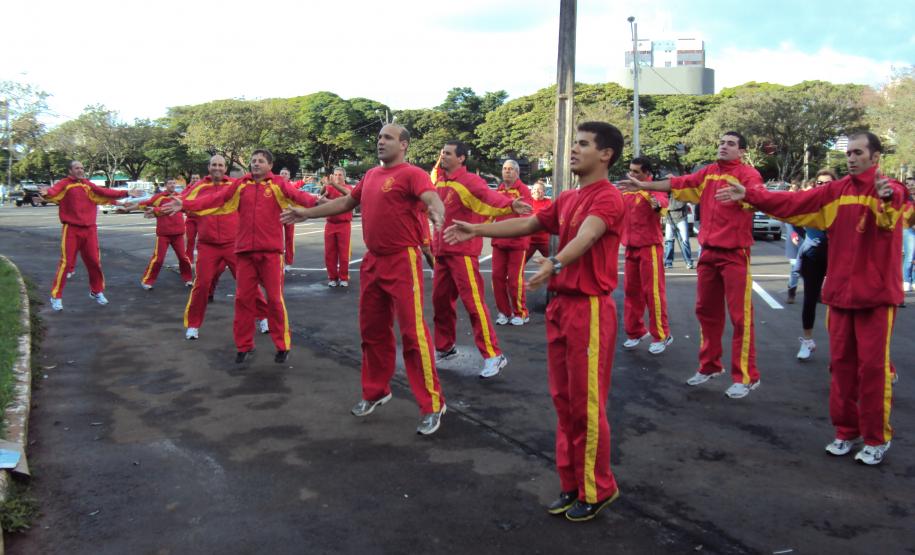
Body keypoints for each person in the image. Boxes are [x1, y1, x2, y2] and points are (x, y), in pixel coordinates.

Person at [444, 121, 625, 522]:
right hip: (562, 309)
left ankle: (598, 488)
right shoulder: (569, 197)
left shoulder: (608, 197)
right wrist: (477, 228)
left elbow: (589, 235)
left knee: (587, 404)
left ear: (605, 154)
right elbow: (529, 224)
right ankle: (572, 483)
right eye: (574, 143)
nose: (573, 150)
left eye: (583, 144)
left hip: (589, 310)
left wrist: (556, 261)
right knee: (563, 401)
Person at [717, 132, 913, 465]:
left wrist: (888, 196)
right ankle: (845, 432)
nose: (851, 158)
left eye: (858, 153)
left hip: (876, 298)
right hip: (840, 295)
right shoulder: (835, 191)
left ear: (875, 156)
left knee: (873, 371)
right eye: (849, 153)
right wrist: (749, 195)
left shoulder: (891, 189)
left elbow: (897, 211)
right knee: (841, 368)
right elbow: (792, 203)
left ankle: (876, 438)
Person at [281, 124, 447, 434]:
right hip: (373, 262)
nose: (381, 141)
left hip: (402, 260)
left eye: (388, 137)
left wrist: (438, 211)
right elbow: (346, 203)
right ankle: (376, 391)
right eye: (379, 137)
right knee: (372, 332)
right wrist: (307, 212)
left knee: (413, 335)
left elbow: (431, 197)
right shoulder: (370, 175)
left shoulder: (413, 174)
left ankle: (433, 404)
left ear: (404, 144)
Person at [619, 131, 764, 399]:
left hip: (735, 253)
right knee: (705, 312)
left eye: (731, 144)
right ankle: (709, 366)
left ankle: (746, 376)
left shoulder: (748, 175)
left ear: (742, 151)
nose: (724, 146)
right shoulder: (708, 173)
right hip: (708, 253)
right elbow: (676, 182)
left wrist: (747, 196)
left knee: (741, 317)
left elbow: (759, 198)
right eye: (721, 142)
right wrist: (643, 186)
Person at [162, 150, 316, 364]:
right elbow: (216, 200)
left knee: (274, 299)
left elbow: (299, 196)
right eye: (253, 161)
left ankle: (282, 345)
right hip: (244, 253)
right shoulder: (241, 185)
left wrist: (318, 203)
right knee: (243, 299)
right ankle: (244, 346)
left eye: (260, 161)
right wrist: (185, 205)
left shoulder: (278, 184)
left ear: (270, 166)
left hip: (270, 253)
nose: (256, 164)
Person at [431, 141, 530, 379]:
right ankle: (445, 347)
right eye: (442, 153)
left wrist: (511, 205)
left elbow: (489, 199)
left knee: (474, 305)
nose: (443, 157)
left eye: (448, 154)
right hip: (442, 252)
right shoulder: (440, 180)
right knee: (440, 303)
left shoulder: (470, 182)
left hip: (462, 253)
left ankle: (494, 355)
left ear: (461, 158)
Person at [180, 155, 269, 340]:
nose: (217, 168)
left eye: (220, 165)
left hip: (233, 244)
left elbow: (255, 197)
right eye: (214, 164)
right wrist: (153, 208)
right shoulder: (198, 187)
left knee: (247, 283)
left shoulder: (235, 185)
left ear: (225, 167)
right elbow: (181, 202)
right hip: (207, 245)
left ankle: (263, 317)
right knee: (202, 285)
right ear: (209, 167)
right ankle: (193, 325)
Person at [41, 161, 139, 311]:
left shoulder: (88, 185)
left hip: (90, 230)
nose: (80, 170)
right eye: (77, 168)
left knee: (94, 262)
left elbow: (105, 193)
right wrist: (46, 193)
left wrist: (125, 193)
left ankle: (96, 291)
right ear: (70, 171)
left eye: (81, 168)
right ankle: (56, 296)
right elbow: (53, 192)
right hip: (71, 229)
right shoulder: (65, 184)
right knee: (66, 264)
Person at [620, 157, 672, 354]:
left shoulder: (654, 189)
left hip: (649, 247)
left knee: (653, 293)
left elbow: (660, 207)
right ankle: (635, 332)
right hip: (631, 247)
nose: (632, 174)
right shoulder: (626, 190)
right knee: (631, 292)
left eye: (636, 172)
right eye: (631, 171)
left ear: (647, 173)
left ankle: (662, 335)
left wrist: (643, 190)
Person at [123, 178, 193, 290]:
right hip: (163, 234)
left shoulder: (180, 197)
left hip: (178, 233)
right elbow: (143, 204)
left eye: (174, 183)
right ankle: (147, 281)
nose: (172, 185)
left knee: (183, 258)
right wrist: (128, 209)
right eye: (170, 183)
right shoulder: (158, 197)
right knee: (158, 259)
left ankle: (188, 279)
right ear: (165, 185)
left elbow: (191, 205)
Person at [795, 169, 835, 360]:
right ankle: (807, 341)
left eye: (828, 183)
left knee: (837, 301)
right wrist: (805, 237)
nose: (824, 186)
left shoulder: (843, 204)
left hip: (837, 256)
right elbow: (794, 218)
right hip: (813, 255)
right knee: (810, 298)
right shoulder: (810, 201)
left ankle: (841, 345)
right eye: (820, 183)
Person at [491, 159, 533, 326]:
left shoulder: (523, 190)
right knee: (497, 277)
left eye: (510, 169)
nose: (507, 171)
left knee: (515, 280)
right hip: (499, 240)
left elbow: (527, 215)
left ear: (517, 172)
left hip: (517, 242)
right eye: (504, 168)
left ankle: (521, 313)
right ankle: (503, 312)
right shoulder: (499, 189)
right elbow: (490, 212)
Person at [322, 167, 355, 287]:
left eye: (340, 175)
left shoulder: (349, 188)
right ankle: (332, 278)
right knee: (329, 253)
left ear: (344, 176)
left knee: (344, 253)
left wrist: (333, 186)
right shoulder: (329, 187)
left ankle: (343, 278)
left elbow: (349, 195)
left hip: (343, 225)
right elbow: (321, 197)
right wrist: (324, 186)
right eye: (335, 175)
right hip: (330, 224)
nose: (337, 177)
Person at [526, 180, 553, 263]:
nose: (536, 191)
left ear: (544, 192)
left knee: (553, 262)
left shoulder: (550, 203)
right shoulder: (527, 202)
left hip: (544, 240)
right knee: (520, 262)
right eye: (534, 189)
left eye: (539, 189)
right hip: (529, 240)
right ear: (531, 191)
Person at [664, 196, 694, 269]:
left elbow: (682, 203)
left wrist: (668, 207)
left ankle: (688, 261)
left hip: (681, 218)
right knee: (669, 241)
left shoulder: (680, 192)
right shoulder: (665, 193)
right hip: (669, 219)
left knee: (685, 240)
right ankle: (668, 262)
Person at [279, 168, 297, 272]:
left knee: (289, 239)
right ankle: (278, 261)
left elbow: (297, 186)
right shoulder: (275, 185)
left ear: (289, 176)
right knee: (277, 239)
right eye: (282, 173)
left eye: (286, 173)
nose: (283, 175)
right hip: (278, 215)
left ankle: (289, 263)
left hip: (290, 215)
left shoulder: (292, 185)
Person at [185, 173, 201, 265]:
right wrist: (189, 187)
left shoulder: (203, 188)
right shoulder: (188, 189)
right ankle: (188, 261)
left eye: (197, 178)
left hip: (202, 219)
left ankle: (201, 261)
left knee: (202, 241)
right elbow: (182, 197)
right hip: (190, 219)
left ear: (200, 179)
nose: (195, 180)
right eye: (193, 178)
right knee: (190, 240)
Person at [902, 176, 915, 294]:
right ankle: (906, 281)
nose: (910, 186)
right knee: (909, 256)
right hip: (908, 229)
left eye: (912, 184)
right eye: (908, 184)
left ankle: (913, 281)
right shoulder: (904, 198)